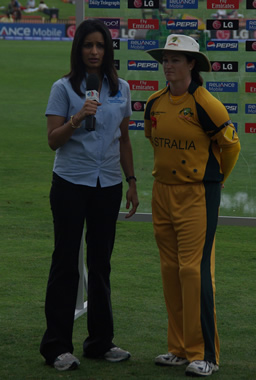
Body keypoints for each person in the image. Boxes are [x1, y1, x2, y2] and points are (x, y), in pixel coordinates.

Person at [40, 18, 139, 372]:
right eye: (87, 46)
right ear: (78, 49)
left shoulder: (121, 88)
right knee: (66, 262)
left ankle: (100, 341)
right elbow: (53, 139)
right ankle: (57, 347)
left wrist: (131, 180)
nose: (94, 52)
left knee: (100, 264)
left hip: (108, 184)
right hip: (70, 183)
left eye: (100, 45)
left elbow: (124, 139)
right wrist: (78, 116)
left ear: (107, 49)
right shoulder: (63, 88)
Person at [144, 34, 240, 377]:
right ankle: (179, 349)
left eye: (176, 59)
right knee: (170, 271)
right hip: (162, 192)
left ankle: (205, 355)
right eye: (166, 59)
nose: (169, 65)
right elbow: (154, 140)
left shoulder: (207, 104)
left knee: (194, 271)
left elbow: (231, 148)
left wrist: (216, 182)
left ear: (191, 65)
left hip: (197, 194)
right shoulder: (155, 101)